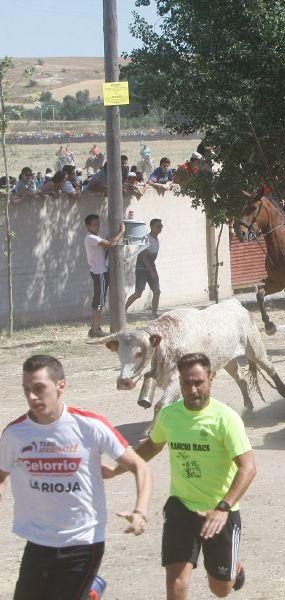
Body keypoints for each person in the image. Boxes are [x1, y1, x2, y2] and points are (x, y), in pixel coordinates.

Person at [104, 353, 256, 598]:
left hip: (220, 511)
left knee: (220, 589)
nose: (193, 389)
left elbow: (248, 468)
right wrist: (116, 468)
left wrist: (223, 507)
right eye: (187, 383)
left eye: (199, 382)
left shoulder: (226, 419)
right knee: (176, 584)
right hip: (181, 508)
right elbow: (152, 446)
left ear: (211, 378)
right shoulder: (169, 415)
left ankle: (233, 570)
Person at [0, 355, 151, 600]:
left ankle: (88, 589)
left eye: (39, 389)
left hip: (83, 542)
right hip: (37, 541)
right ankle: (90, 591)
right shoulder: (16, 433)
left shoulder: (90, 426)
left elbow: (139, 466)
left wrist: (141, 511)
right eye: (27, 390)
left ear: (61, 386)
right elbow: (1, 473)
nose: (32, 397)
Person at [84, 214, 125, 338]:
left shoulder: (94, 237)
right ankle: (96, 330)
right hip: (99, 272)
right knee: (99, 303)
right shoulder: (91, 238)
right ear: (88, 226)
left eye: (98, 224)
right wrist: (122, 232)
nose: (97, 226)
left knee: (97, 301)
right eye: (94, 224)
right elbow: (112, 243)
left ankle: (94, 329)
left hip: (100, 271)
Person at [125, 218, 163, 319]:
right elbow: (144, 256)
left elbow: (152, 258)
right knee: (138, 293)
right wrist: (151, 271)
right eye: (158, 226)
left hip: (151, 267)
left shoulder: (157, 240)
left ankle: (154, 314)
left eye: (161, 226)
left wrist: (152, 270)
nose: (160, 228)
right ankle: (123, 310)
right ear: (151, 227)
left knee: (157, 291)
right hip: (142, 268)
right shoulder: (146, 239)